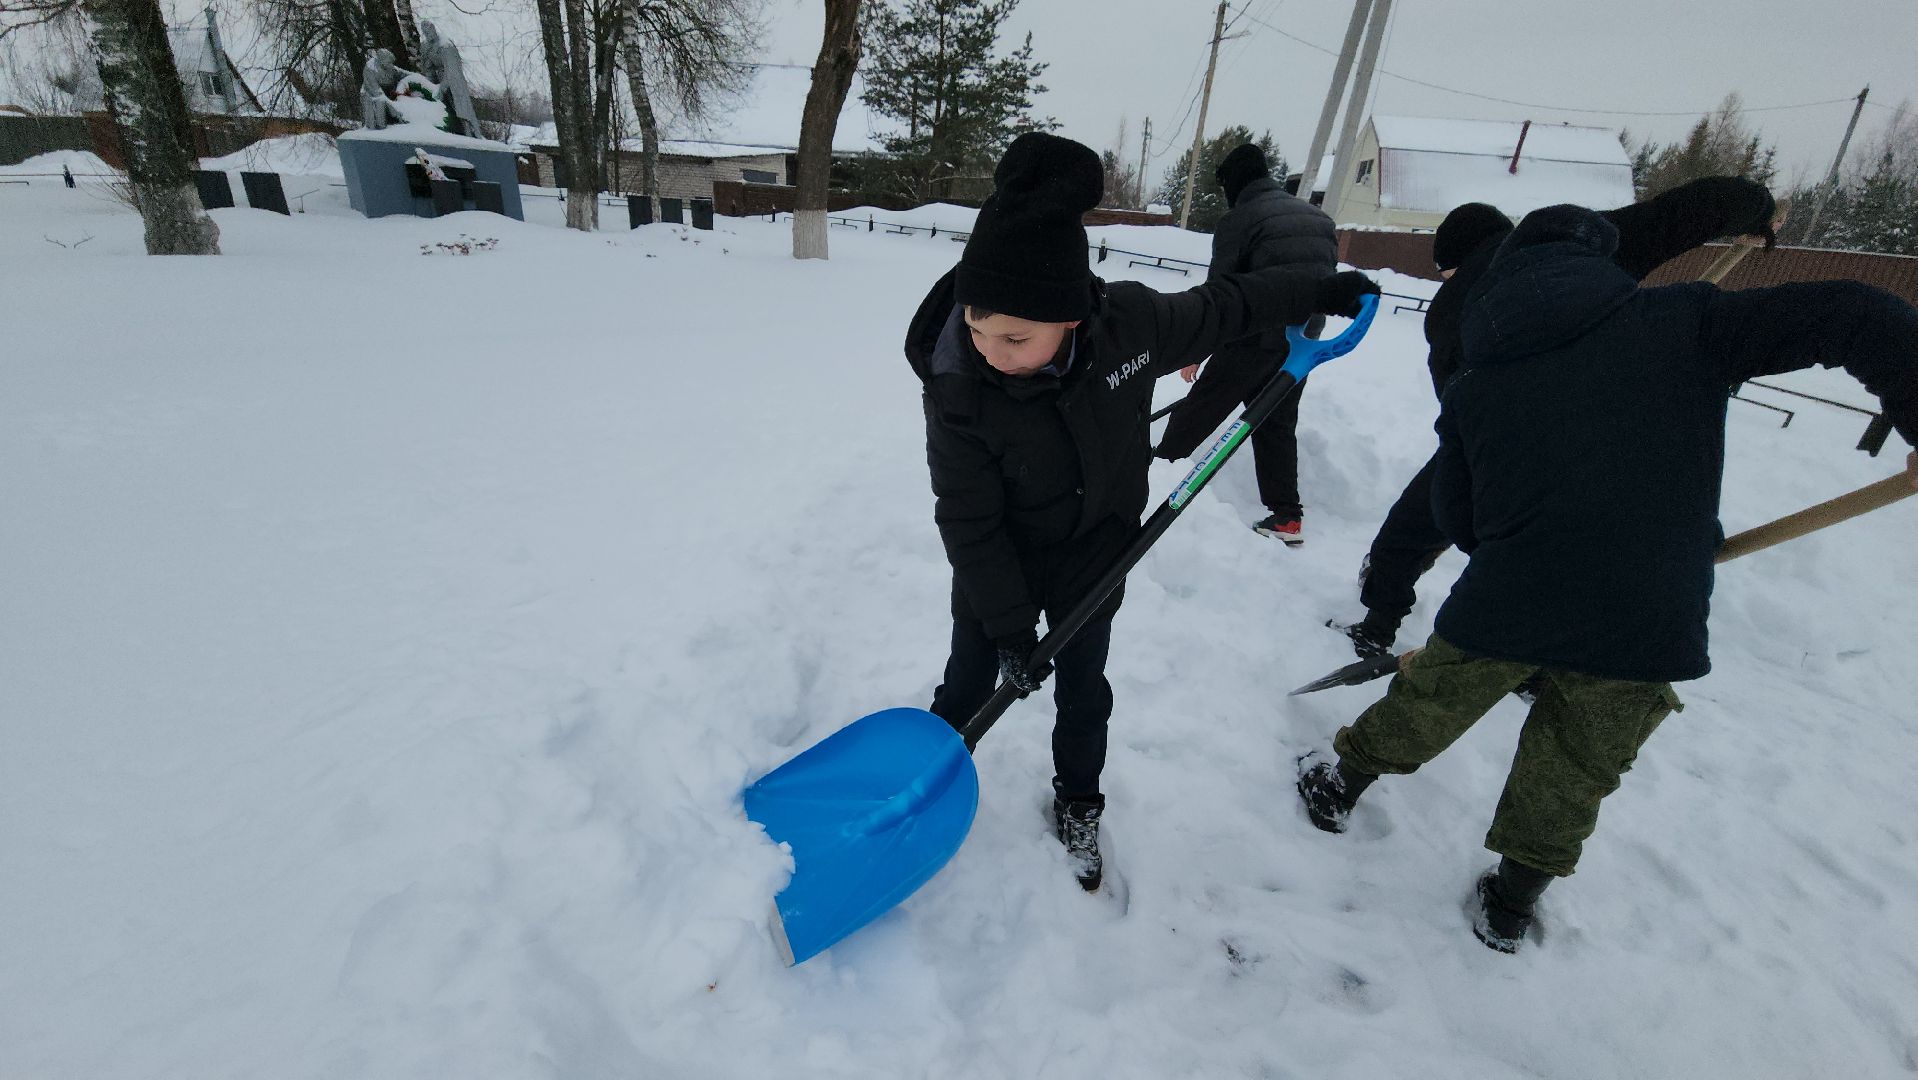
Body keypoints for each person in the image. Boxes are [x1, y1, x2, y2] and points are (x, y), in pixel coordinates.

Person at [1296, 203, 1918, 952]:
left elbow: (1458, 516)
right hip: (1646, 607)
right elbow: (1854, 312)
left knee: (1433, 695)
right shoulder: (1686, 319)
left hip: (1510, 595)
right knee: (1578, 759)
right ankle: (1511, 904)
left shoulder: (1476, 379)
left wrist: (1520, 550)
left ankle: (1342, 786)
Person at [904, 132, 1378, 891]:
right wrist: (1007, 628)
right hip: (1003, 563)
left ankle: (1080, 801)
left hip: (1099, 557)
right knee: (968, 680)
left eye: (1015, 337)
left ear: (1070, 316)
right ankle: (914, 783)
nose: (991, 350)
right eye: (977, 328)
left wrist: (1314, 292)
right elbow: (968, 518)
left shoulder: (1129, 327)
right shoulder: (960, 390)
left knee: (1084, 692)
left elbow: (1228, 306)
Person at [1338, 177, 1781, 658]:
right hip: (1607, 429)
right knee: (1574, 545)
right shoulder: (1577, 245)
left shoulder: (1451, 305)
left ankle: (1378, 623)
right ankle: (1542, 658)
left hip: (1507, 435)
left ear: (1453, 262)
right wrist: (1755, 212)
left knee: (1419, 526)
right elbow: (1674, 214)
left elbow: (1459, 404)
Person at [1153, 143, 1339, 545]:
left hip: (1253, 333)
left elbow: (1220, 294)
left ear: (1232, 184)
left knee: (1199, 409)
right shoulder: (1319, 219)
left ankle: (1150, 482)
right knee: (1275, 422)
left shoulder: (1242, 218)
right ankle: (1287, 517)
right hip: (1302, 340)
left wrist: (1196, 350)